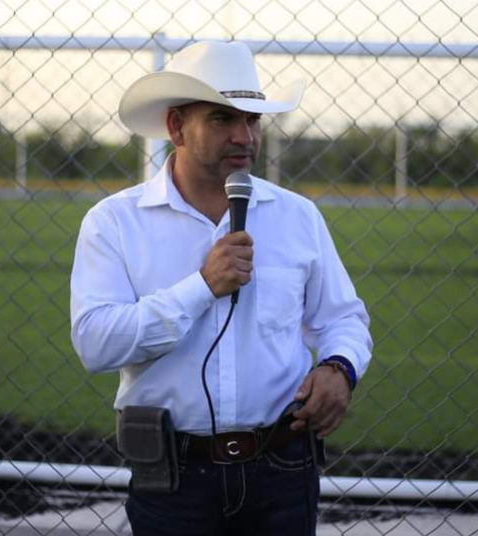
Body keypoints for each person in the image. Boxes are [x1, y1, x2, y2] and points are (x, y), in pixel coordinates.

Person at [70, 40, 373, 535]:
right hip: (173, 479)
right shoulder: (114, 223)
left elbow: (343, 319)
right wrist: (201, 287)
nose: (244, 136)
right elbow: (95, 344)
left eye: (252, 120)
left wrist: (340, 368)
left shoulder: (296, 216)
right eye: (222, 119)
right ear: (175, 127)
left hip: (284, 469)